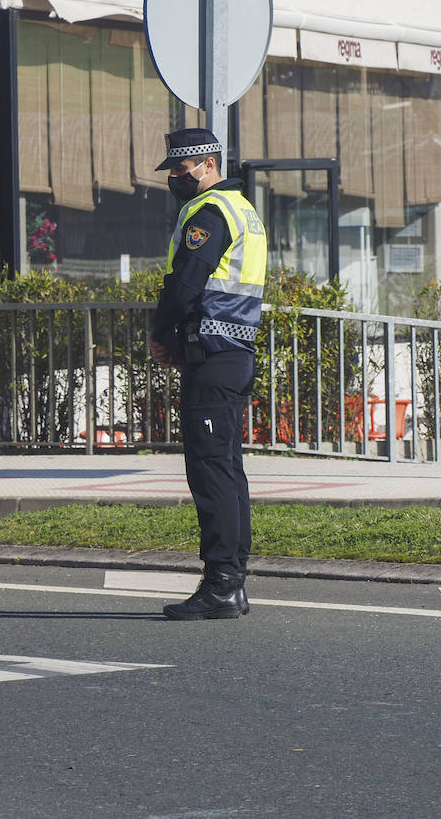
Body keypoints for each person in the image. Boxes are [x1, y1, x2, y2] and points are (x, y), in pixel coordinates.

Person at [147, 129, 267, 620]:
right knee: (227, 469)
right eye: (172, 171)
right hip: (232, 351)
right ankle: (230, 580)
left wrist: (160, 331)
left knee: (210, 470)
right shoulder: (245, 210)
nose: (175, 179)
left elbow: (186, 281)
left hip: (214, 355)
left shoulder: (211, 212)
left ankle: (221, 584)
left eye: (182, 169)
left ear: (208, 164)